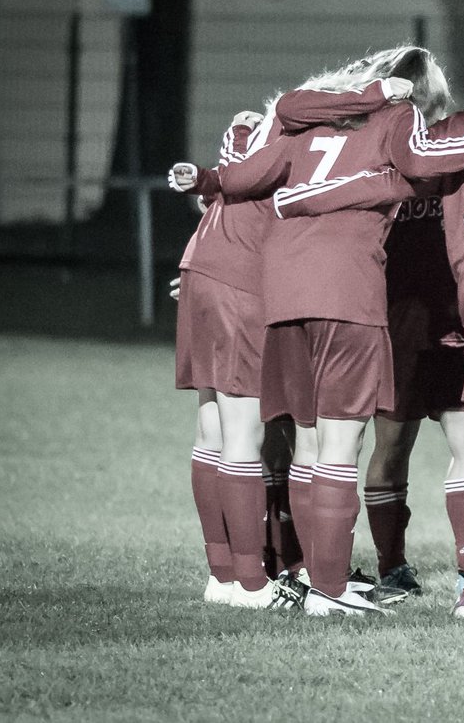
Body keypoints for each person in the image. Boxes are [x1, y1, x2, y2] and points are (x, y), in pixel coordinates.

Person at [202, 46, 464, 616]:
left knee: (312, 446)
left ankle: (309, 576)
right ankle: (340, 585)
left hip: (312, 298)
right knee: (363, 446)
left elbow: (251, 180)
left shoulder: (311, 128)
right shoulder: (406, 131)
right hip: (373, 307)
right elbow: (418, 168)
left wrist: (223, 205)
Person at [169, 107, 300, 609]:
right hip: (239, 282)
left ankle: (221, 575)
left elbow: (223, 183)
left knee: (212, 431)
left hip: (202, 266)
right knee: (244, 433)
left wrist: (235, 136)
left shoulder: (251, 134)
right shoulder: (300, 146)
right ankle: (251, 582)